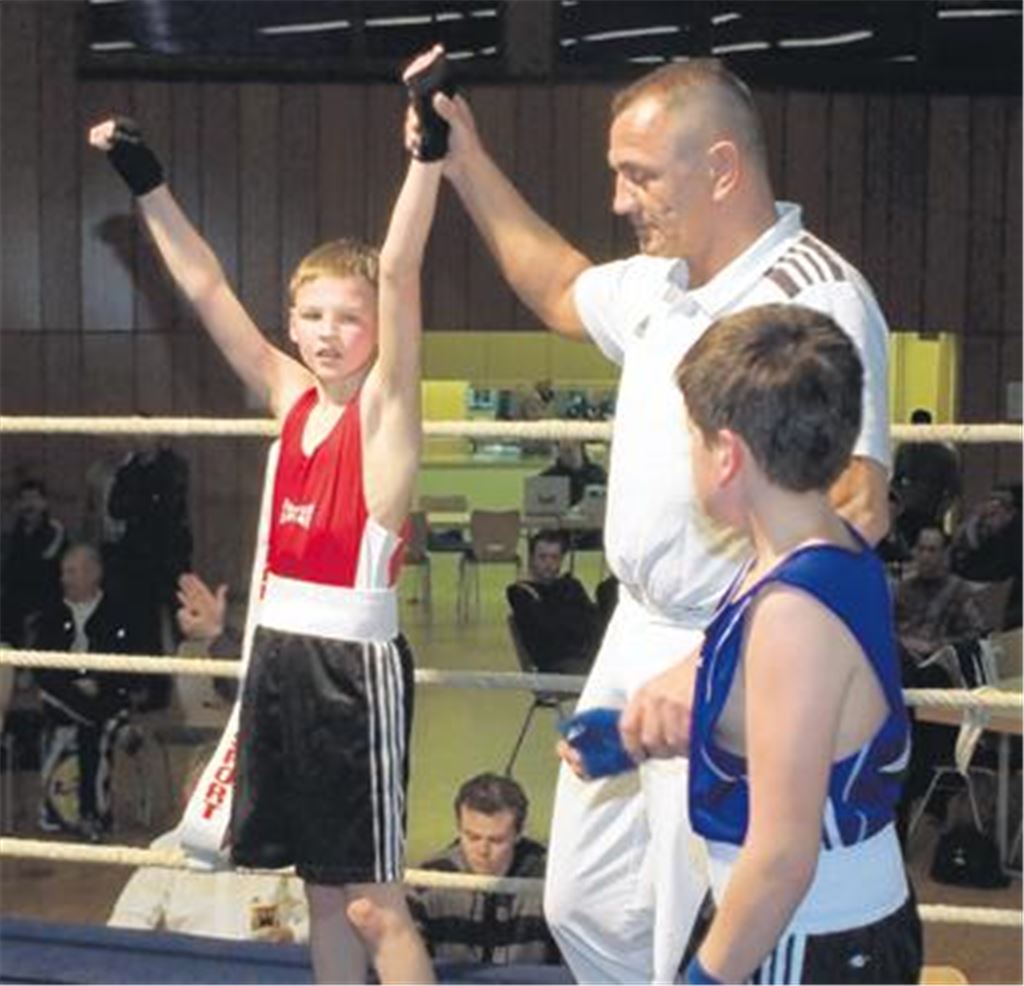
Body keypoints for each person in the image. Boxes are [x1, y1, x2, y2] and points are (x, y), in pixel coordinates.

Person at [416, 53, 891, 982]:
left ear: (721, 168)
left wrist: (715, 660)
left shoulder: (814, 292)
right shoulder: (660, 282)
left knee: (697, 912)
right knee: (584, 898)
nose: (622, 200)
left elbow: (858, 508)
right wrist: (463, 155)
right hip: (633, 627)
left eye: (640, 175)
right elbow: (555, 284)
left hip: (736, 642)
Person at [89, 60, 443, 982]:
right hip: (279, 659)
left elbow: (400, 272)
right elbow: (206, 288)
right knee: (319, 892)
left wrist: (428, 155)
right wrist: (149, 183)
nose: (328, 333)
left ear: (377, 330)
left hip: (352, 673)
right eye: (312, 314)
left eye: (349, 319)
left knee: (373, 900)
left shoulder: (387, 415)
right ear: (293, 320)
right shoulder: (289, 395)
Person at [667, 303, 919, 983]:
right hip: (808, 926)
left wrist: (705, 979)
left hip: (805, 934)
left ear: (727, 456)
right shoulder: (821, 548)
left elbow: (782, 856)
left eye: (691, 437)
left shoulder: (792, 612)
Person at [109, 747, 309, 943]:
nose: (213, 804)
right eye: (199, 792)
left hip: (260, 966)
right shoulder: (167, 847)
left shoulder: (282, 847)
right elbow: (128, 920)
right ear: (187, 795)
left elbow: (321, 919)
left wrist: (291, 934)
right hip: (189, 966)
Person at [30, 544, 141, 839]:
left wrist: (96, 681)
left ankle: (88, 815)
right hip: (61, 695)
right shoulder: (51, 613)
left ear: (94, 573)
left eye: (71, 572)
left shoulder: (119, 612)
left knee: (88, 728)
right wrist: (75, 683)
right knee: (92, 720)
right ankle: (116, 727)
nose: (64, 579)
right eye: (63, 572)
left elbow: (128, 664)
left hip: (103, 694)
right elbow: (41, 667)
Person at [408, 773, 559, 966]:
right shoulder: (428, 882)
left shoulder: (551, 880)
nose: (482, 850)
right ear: (458, 827)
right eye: (472, 837)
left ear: (519, 833)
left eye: (496, 840)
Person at [106, 436, 192, 655]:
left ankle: (190, 672)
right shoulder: (127, 471)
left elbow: (170, 504)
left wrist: (141, 503)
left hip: (171, 553)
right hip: (139, 557)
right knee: (145, 622)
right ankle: (154, 682)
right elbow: (115, 507)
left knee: (180, 616)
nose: (140, 440)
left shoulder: (172, 466)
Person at [506, 530, 601, 676]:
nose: (549, 563)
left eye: (555, 558)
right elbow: (546, 631)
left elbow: (593, 625)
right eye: (542, 557)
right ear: (531, 559)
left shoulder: (571, 585)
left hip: (586, 657)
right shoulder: (520, 593)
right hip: (556, 664)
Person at [895, 526, 988, 664]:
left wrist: (936, 645)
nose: (925, 556)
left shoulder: (959, 590)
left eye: (932, 550)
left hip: (939, 661)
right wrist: (903, 641)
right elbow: (885, 626)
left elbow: (977, 633)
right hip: (902, 655)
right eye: (921, 549)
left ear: (944, 554)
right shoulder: (904, 589)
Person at [0, 479, 68, 647]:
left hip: (44, 608)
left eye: (34, 498)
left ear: (45, 503)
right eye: (24, 499)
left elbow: (52, 574)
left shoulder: (56, 534)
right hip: (11, 609)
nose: (29, 504)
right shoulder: (11, 537)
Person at [951, 483, 1022, 630]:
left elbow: (994, 570)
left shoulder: (1015, 533)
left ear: (1010, 512)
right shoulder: (998, 533)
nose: (987, 519)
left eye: (994, 512)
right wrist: (972, 528)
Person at [892, 408, 960, 547]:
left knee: (929, 548)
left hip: (931, 512)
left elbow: (953, 490)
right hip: (905, 513)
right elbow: (896, 480)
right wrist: (897, 506)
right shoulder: (904, 450)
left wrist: (940, 512)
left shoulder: (944, 455)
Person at [540, 442, 607, 507]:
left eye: (574, 448)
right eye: (566, 451)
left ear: (581, 448)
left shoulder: (598, 474)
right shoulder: (547, 478)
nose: (572, 454)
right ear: (559, 451)